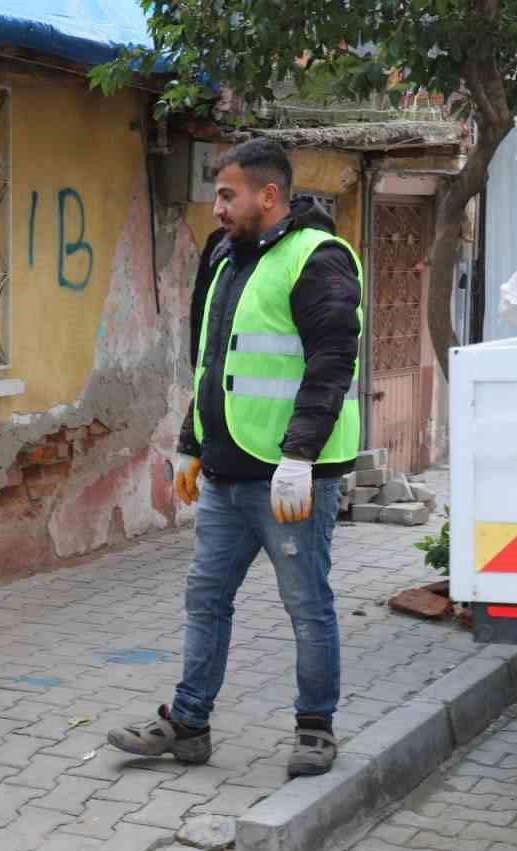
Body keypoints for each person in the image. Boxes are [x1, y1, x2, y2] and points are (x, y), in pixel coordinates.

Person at [108, 139, 364, 778]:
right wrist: (193, 445)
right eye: (217, 194)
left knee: (305, 602)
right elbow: (212, 363)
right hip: (227, 473)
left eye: (228, 194)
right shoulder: (225, 259)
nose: (216, 206)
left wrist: (300, 456)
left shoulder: (320, 258)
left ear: (268, 196)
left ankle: (315, 728)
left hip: (290, 478)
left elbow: (332, 363)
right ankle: (189, 724)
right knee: (205, 597)